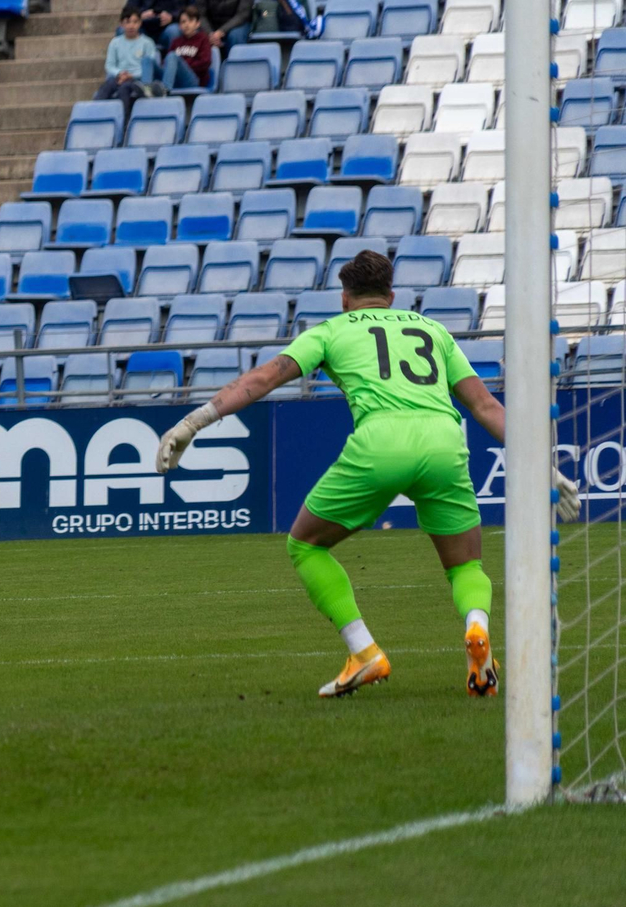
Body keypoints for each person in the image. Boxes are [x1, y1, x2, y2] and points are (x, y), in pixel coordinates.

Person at [155, 249, 583, 698]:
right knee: (465, 564)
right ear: (391, 296)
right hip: (444, 442)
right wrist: (542, 465)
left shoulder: (330, 330)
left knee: (305, 545)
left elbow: (262, 380)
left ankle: (364, 653)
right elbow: (485, 406)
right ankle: (477, 632)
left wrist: (193, 423)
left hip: (381, 444)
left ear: (345, 298)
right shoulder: (431, 329)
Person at [94, 7, 158, 114]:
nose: (131, 26)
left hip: (138, 80)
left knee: (124, 89)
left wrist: (132, 76)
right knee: (106, 86)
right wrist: (120, 73)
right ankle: (95, 118)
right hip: (119, 77)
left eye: (135, 22)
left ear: (140, 23)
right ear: (121, 24)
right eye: (127, 22)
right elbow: (109, 65)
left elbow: (149, 67)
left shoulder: (147, 43)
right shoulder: (115, 43)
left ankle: (123, 124)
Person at [160, 5, 212, 91]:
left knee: (173, 56)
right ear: (179, 25)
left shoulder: (203, 39)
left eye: (190, 21)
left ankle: (165, 90)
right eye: (183, 22)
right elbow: (166, 62)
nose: (186, 24)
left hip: (193, 80)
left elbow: (205, 62)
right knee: (147, 60)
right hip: (176, 79)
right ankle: (146, 89)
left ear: (198, 23)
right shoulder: (176, 41)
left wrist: (183, 65)